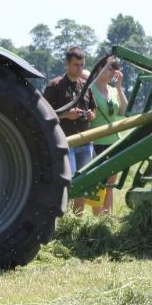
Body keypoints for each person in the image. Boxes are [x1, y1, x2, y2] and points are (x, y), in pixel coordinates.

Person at [43, 46, 96, 214]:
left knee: (83, 183)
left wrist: (89, 115)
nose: (79, 68)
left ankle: (77, 220)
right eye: (75, 65)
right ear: (67, 63)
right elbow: (43, 116)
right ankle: (65, 221)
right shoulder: (55, 85)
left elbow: (93, 110)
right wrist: (66, 115)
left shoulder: (86, 86)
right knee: (69, 184)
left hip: (85, 142)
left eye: (82, 65)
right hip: (65, 144)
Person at [88, 57, 128, 215]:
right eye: (110, 68)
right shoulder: (90, 90)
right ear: (99, 68)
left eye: (115, 68)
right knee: (98, 183)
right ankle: (97, 218)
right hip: (96, 142)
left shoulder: (113, 90)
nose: (113, 72)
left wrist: (119, 87)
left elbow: (123, 110)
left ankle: (107, 217)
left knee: (110, 184)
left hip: (114, 142)